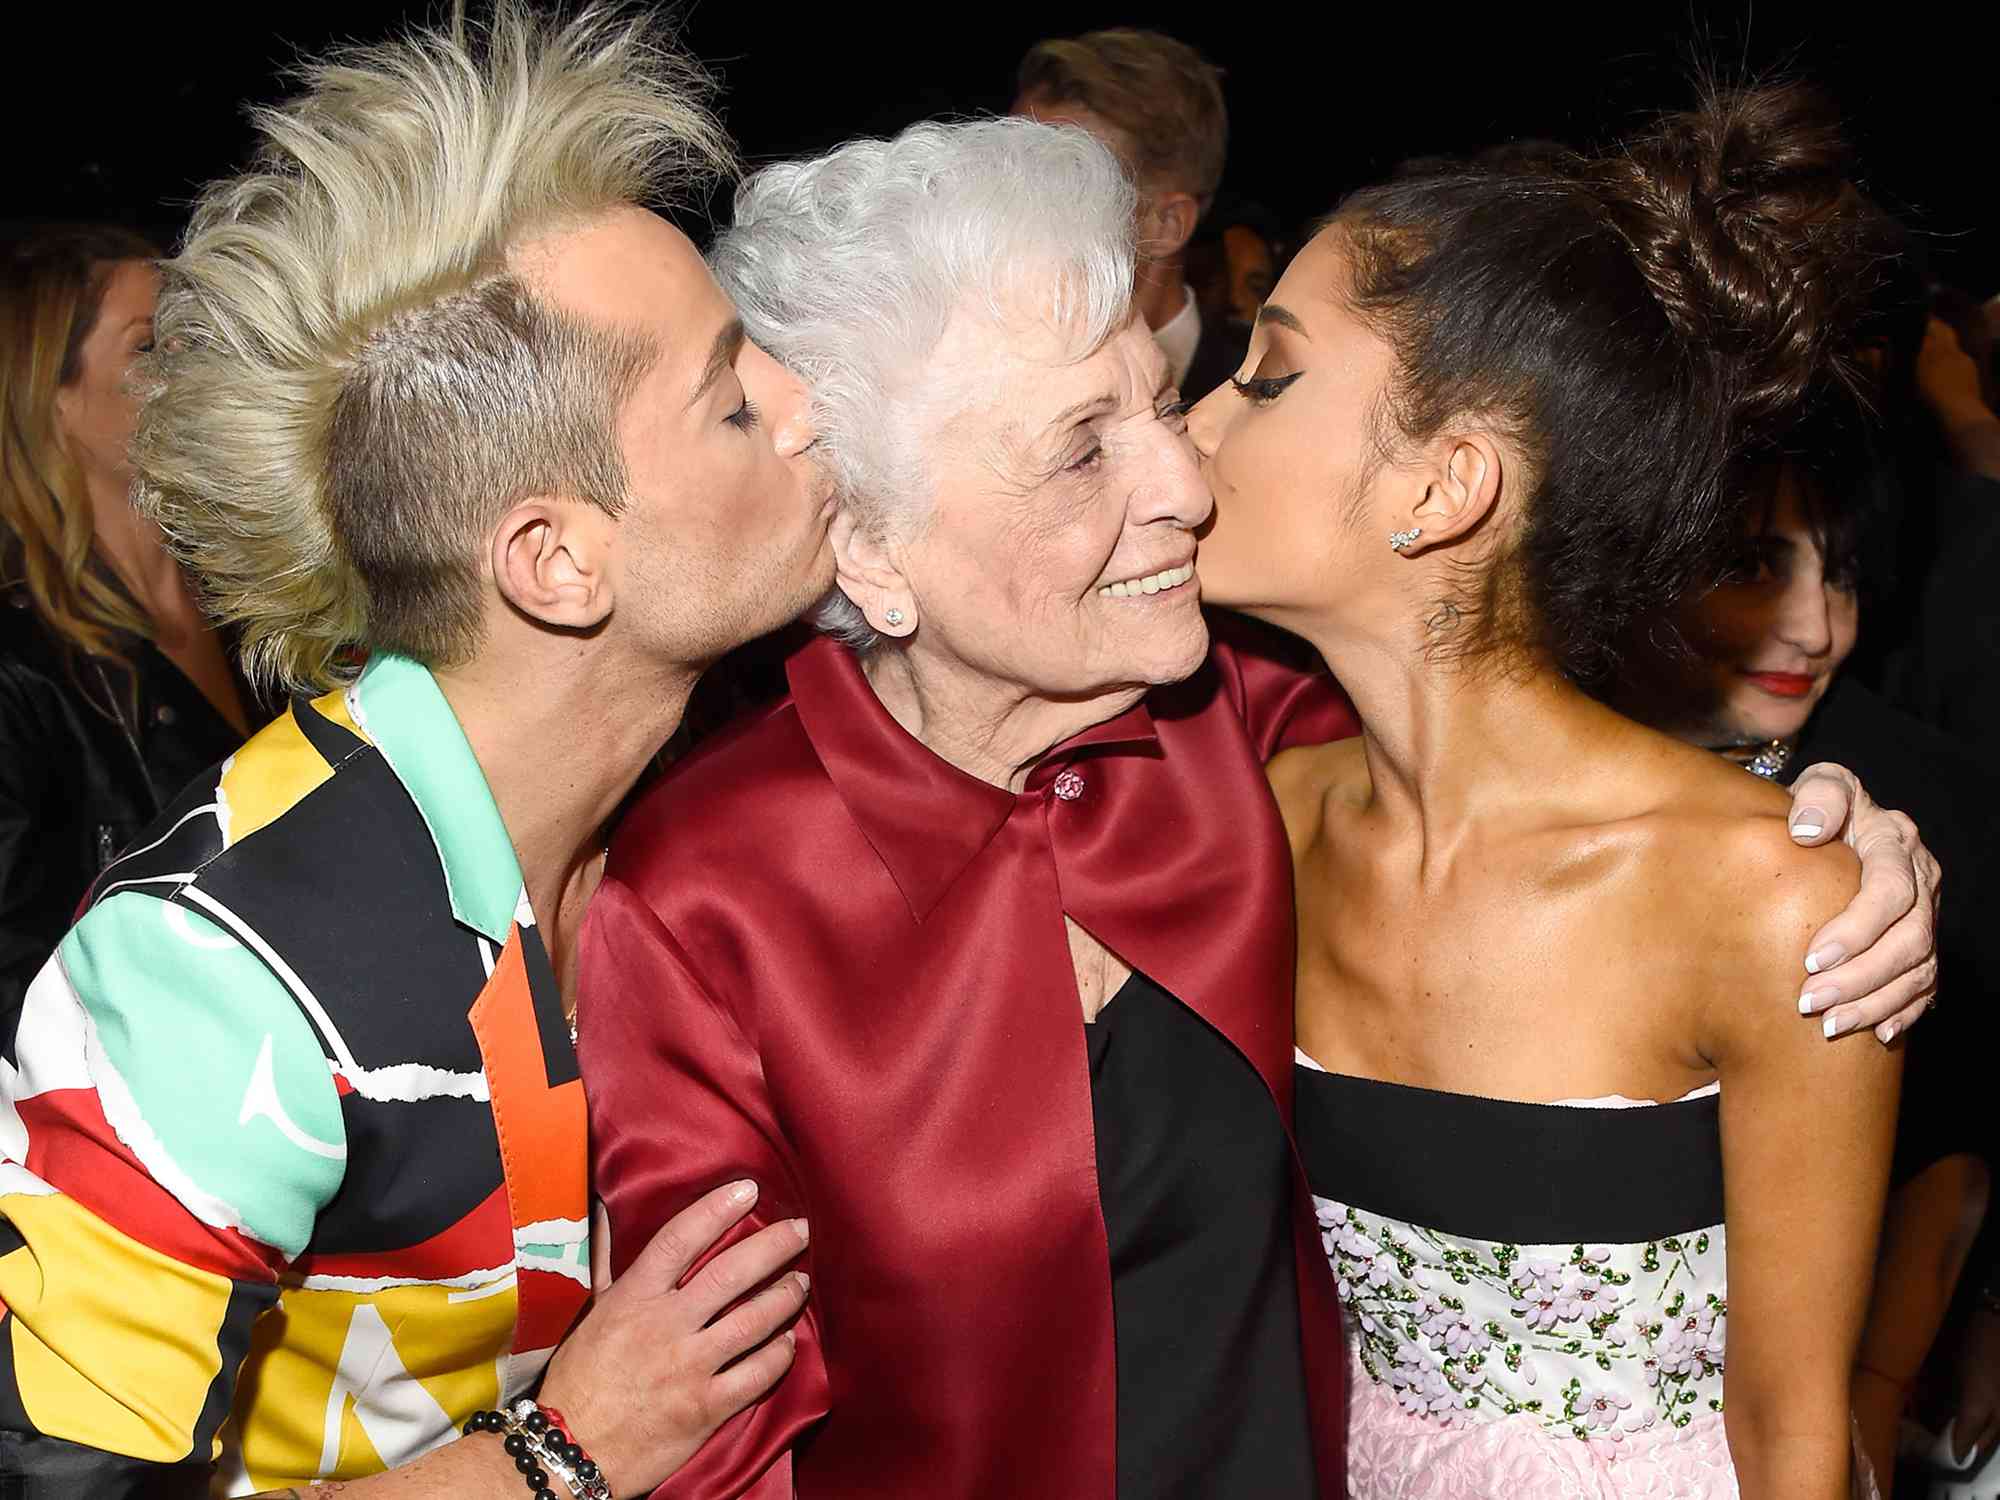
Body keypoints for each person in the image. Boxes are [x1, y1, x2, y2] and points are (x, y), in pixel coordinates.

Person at [581, 114, 1941, 1500]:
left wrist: (1833, 832)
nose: (1185, 479)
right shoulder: (711, 891)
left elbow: (1500, 751)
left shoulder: (1236, 741)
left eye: (1171, 402)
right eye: (1079, 450)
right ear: (867, 542)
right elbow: (710, 1441)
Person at [0, 8, 825, 1495]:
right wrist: (569, 1450)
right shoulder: (219, 976)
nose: (804, 411)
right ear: (556, 562)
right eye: (732, 397)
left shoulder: (667, 827)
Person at [1189, 85, 1914, 1497]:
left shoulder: (1776, 900)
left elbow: (1794, 1443)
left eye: (1266, 377)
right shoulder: (1260, 823)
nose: (1201, 416)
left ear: (1446, 487)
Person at [1609, 446, 1998, 1494]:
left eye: (1839, 575)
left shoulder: (1917, 807)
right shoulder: (1552, 777)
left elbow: (1950, 1150)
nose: (1816, 626)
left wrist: (1866, 1397)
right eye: (1755, 567)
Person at [0, 225, 267, 1027]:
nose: (194, 367)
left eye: (196, 337)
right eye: (151, 346)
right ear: (56, 394)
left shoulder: (260, 601)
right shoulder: (23, 672)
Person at [1013, 28, 1248, 399]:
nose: (1014, 206)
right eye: (1003, 172)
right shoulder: (971, 375)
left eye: (1063, 184)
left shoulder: (1254, 396)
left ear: (1167, 224)